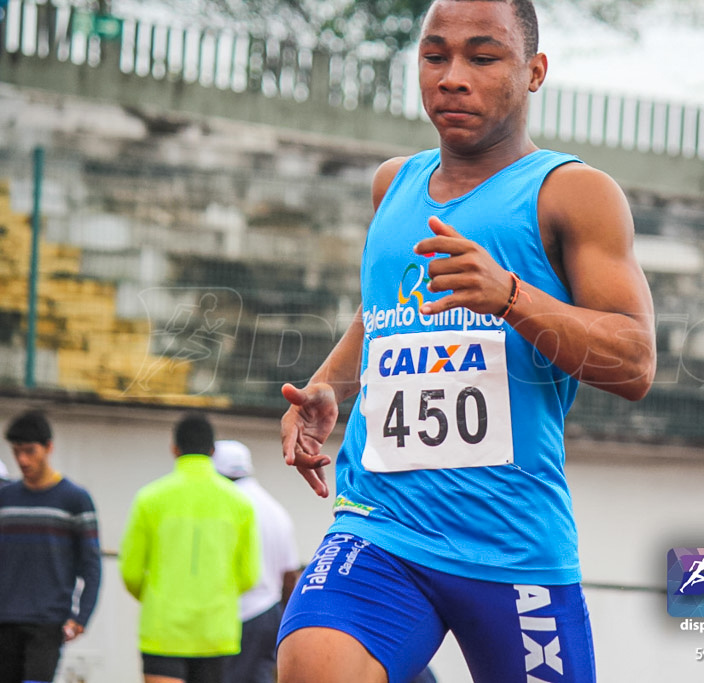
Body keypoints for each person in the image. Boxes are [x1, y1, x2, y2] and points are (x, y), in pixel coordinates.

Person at [277, 0, 656, 681]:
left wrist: (510, 295)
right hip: (380, 523)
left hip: (511, 545)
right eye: (434, 56)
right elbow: (385, 311)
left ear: (534, 71)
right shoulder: (393, 184)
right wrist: (328, 388)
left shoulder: (572, 194)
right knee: (312, 661)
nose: (453, 76)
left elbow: (634, 360)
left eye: (482, 57)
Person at [120, 412, 260, 683]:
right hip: (215, 629)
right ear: (212, 451)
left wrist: (155, 596)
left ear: (174, 449)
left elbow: (131, 573)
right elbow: (249, 575)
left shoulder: (149, 499)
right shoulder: (240, 504)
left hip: (163, 628)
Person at [0, 409, 102, 683]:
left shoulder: (75, 499)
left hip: (47, 620)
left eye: (30, 451)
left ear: (48, 447)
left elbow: (91, 563)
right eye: (17, 451)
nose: (22, 459)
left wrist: (82, 616)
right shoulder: (5, 498)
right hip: (4, 618)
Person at [211, 439, 302, 683]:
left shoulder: (223, 507)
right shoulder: (274, 509)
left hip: (234, 615)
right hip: (268, 615)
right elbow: (289, 576)